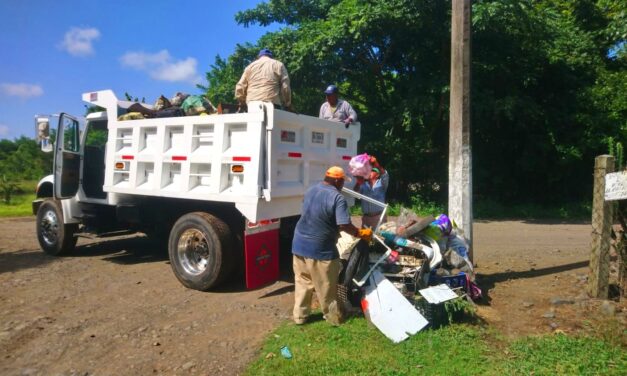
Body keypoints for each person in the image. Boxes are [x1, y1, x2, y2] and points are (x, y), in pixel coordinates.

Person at [292, 166, 372, 326]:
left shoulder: (312, 190)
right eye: (342, 181)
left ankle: (300, 317)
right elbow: (343, 224)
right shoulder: (337, 198)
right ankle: (333, 318)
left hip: (299, 244)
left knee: (303, 281)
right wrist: (360, 233)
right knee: (326, 286)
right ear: (337, 180)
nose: (343, 185)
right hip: (320, 248)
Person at [354, 156, 389, 229]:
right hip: (366, 217)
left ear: (378, 175)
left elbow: (385, 175)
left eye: (373, 170)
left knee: (379, 238)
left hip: (378, 217)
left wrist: (376, 165)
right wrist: (359, 181)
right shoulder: (363, 185)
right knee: (365, 238)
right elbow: (355, 192)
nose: (370, 172)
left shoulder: (382, 184)